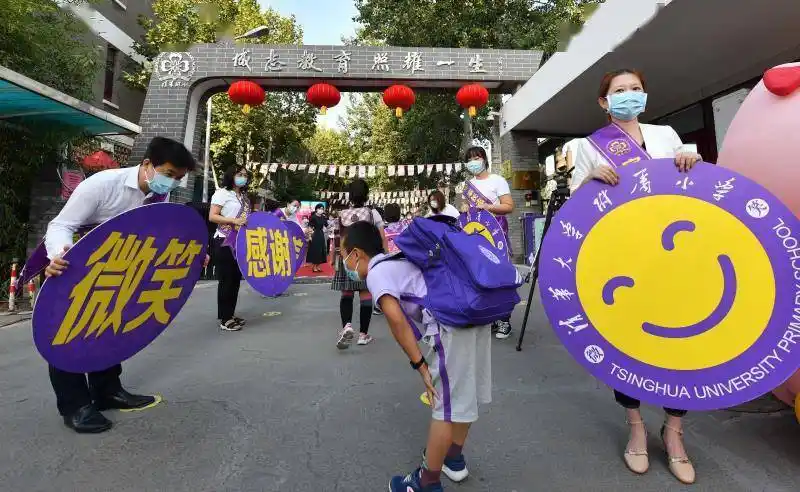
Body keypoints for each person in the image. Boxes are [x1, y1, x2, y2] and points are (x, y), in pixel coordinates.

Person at [570, 68, 701, 485]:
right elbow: (577, 212)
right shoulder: (590, 147)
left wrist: (692, 160)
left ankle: (675, 432)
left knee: (682, 345)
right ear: (604, 102)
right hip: (623, 261)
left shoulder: (667, 136)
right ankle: (636, 426)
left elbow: (699, 185)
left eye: (636, 89)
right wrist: (588, 180)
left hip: (676, 256)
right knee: (628, 346)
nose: (629, 95)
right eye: (619, 91)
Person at [43, 136, 200, 433]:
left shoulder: (158, 196)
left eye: (178, 178)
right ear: (146, 165)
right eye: (168, 174)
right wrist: (58, 256)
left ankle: (107, 391)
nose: (172, 183)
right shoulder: (102, 185)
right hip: (70, 267)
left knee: (107, 328)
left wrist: (189, 255)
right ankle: (75, 406)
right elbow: (60, 225)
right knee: (68, 333)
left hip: (116, 272)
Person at [341, 221, 491, 492]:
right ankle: (453, 459)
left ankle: (426, 483)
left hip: (450, 326)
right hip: (474, 316)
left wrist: (420, 365)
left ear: (356, 254)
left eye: (343, 256)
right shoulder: (397, 259)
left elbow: (396, 321)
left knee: (444, 407)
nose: (345, 264)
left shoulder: (377, 272)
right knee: (463, 394)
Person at [461, 146, 516, 340]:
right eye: (470, 159)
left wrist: (488, 207)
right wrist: (465, 208)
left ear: (484, 159)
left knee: (499, 277)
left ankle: (504, 320)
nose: (473, 162)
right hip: (475, 237)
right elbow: (464, 212)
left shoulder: (498, 181)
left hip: (495, 234)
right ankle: (489, 317)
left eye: (476, 157)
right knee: (479, 277)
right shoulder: (468, 186)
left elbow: (509, 206)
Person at [331, 179, 387, 348]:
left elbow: (337, 240)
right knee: (365, 295)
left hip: (347, 258)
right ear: (366, 194)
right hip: (366, 258)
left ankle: (346, 326)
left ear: (350, 195)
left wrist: (336, 260)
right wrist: (383, 257)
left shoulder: (341, 215)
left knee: (346, 294)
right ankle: (363, 334)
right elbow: (382, 237)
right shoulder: (372, 214)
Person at [208, 166, 251, 332]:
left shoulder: (243, 198)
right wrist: (233, 221)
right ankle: (225, 318)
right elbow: (213, 216)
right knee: (226, 280)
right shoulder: (222, 193)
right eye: (239, 174)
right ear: (231, 175)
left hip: (239, 243)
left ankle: (231, 314)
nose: (242, 177)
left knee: (235, 280)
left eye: (245, 175)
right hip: (224, 240)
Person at [306, 204, 328, 272]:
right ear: (316, 209)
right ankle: (314, 266)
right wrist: (309, 236)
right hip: (315, 234)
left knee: (322, 250)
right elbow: (309, 227)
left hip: (321, 234)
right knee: (316, 250)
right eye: (320, 208)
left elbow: (327, 225)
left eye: (322, 208)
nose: (321, 210)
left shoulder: (323, 217)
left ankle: (318, 266)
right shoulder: (313, 217)